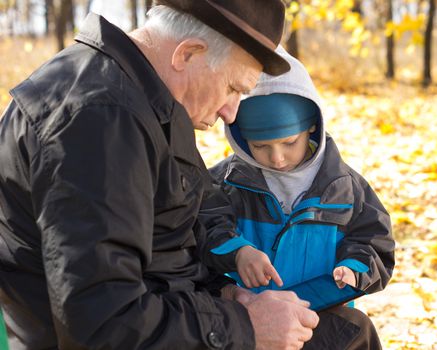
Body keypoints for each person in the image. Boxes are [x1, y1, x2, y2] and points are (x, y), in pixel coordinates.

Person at [0, 1, 321, 349]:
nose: (231, 114)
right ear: (187, 54)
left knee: (347, 329)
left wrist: (228, 295)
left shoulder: (144, 103)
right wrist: (246, 327)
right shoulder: (100, 122)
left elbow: (168, 250)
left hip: (171, 321)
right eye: (233, 88)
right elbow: (103, 325)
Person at [198, 47, 396, 349]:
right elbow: (203, 227)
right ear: (239, 138)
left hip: (319, 311)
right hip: (247, 318)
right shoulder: (224, 184)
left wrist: (355, 269)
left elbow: (375, 243)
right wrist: (238, 252)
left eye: (289, 142)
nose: (276, 158)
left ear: (312, 127)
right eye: (260, 146)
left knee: (358, 332)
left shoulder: (345, 187)